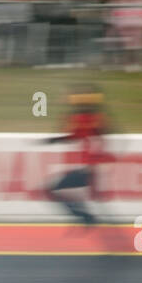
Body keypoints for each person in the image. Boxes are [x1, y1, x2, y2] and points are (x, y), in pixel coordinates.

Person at [43, 84, 112, 227]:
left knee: (49, 189)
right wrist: (54, 140)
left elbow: (75, 133)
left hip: (87, 170)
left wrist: (53, 139)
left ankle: (85, 216)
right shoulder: (93, 123)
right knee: (52, 189)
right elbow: (75, 135)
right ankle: (86, 215)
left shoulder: (88, 121)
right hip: (89, 170)